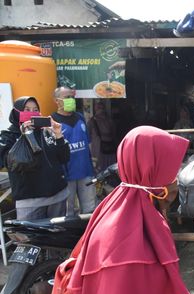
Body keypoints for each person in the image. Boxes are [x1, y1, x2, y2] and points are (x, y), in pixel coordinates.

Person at [68, 126, 193, 294]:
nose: (175, 177)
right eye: (170, 167)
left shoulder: (113, 206)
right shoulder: (132, 227)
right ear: (151, 168)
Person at [0, 96, 70, 220]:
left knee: (58, 239)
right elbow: (10, 163)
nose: (31, 113)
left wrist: (58, 134)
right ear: (16, 112)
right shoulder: (8, 136)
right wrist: (25, 136)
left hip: (57, 197)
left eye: (35, 109)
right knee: (30, 239)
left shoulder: (46, 131)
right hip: (30, 202)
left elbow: (64, 158)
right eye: (26, 109)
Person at [52, 87, 96, 217]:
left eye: (72, 97)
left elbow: (88, 144)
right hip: (66, 176)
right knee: (68, 213)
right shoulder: (52, 121)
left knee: (90, 210)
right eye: (67, 97)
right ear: (57, 101)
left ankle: (90, 236)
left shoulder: (80, 118)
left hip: (86, 172)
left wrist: (93, 164)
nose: (71, 100)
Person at [87, 102, 117, 173]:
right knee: (110, 167)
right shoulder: (109, 120)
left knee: (100, 168)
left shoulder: (92, 121)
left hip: (99, 150)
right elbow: (114, 133)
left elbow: (88, 135)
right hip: (109, 148)